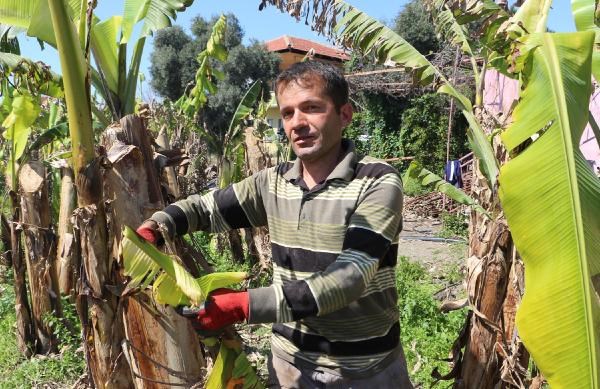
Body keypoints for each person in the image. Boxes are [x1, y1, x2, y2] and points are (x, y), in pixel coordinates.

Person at [136, 61, 412, 388]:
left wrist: (242, 305)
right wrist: (156, 226)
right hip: (290, 363)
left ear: (345, 115)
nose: (298, 123)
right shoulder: (274, 182)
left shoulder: (376, 181)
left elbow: (349, 279)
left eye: (312, 108)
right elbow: (206, 208)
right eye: (288, 113)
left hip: (366, 369)